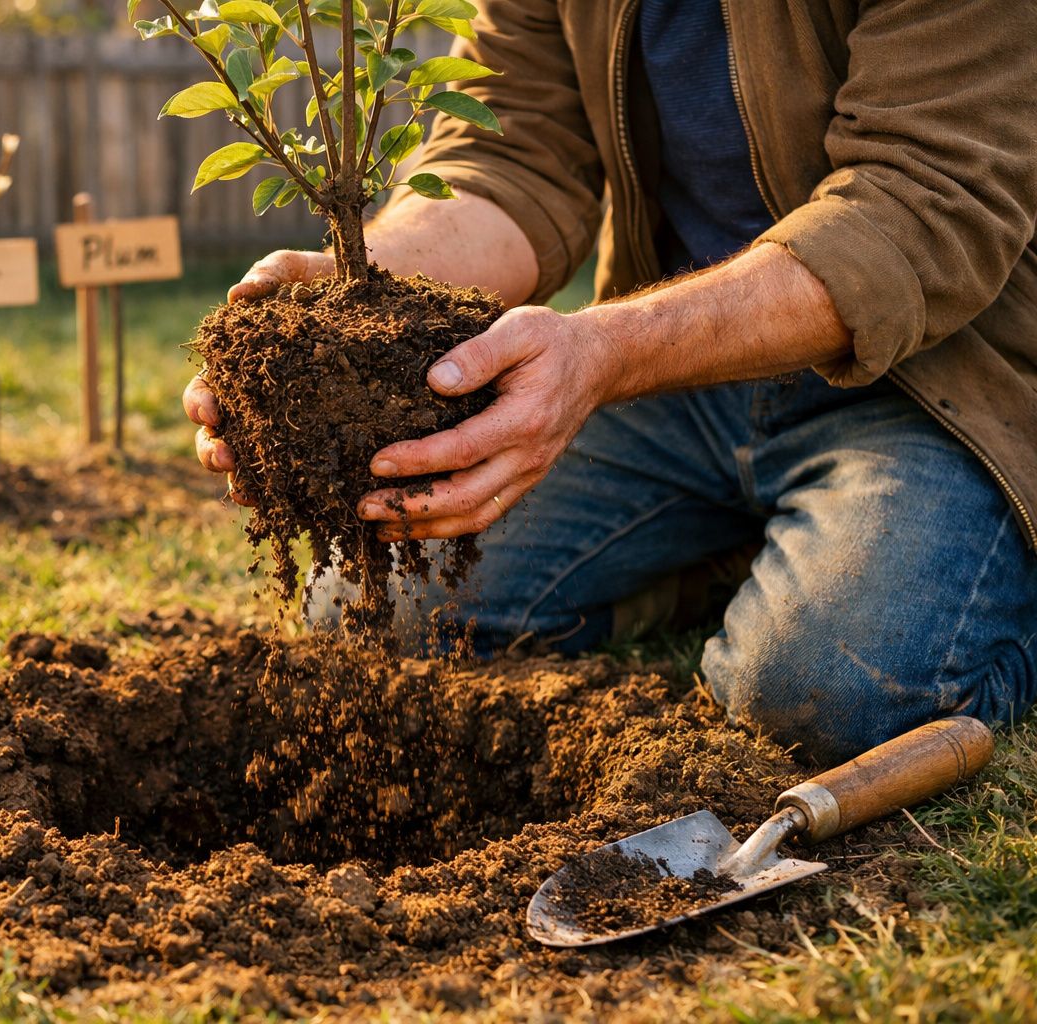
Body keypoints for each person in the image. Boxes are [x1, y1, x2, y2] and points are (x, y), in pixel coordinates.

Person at [183, 0, 1037, 764]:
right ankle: (715, 558)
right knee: (376, 611)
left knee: (818, 704)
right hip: (675, 380)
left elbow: (921, 203)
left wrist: (604, 352)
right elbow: (510, 154)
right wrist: (357, 292)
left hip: (929, 381)